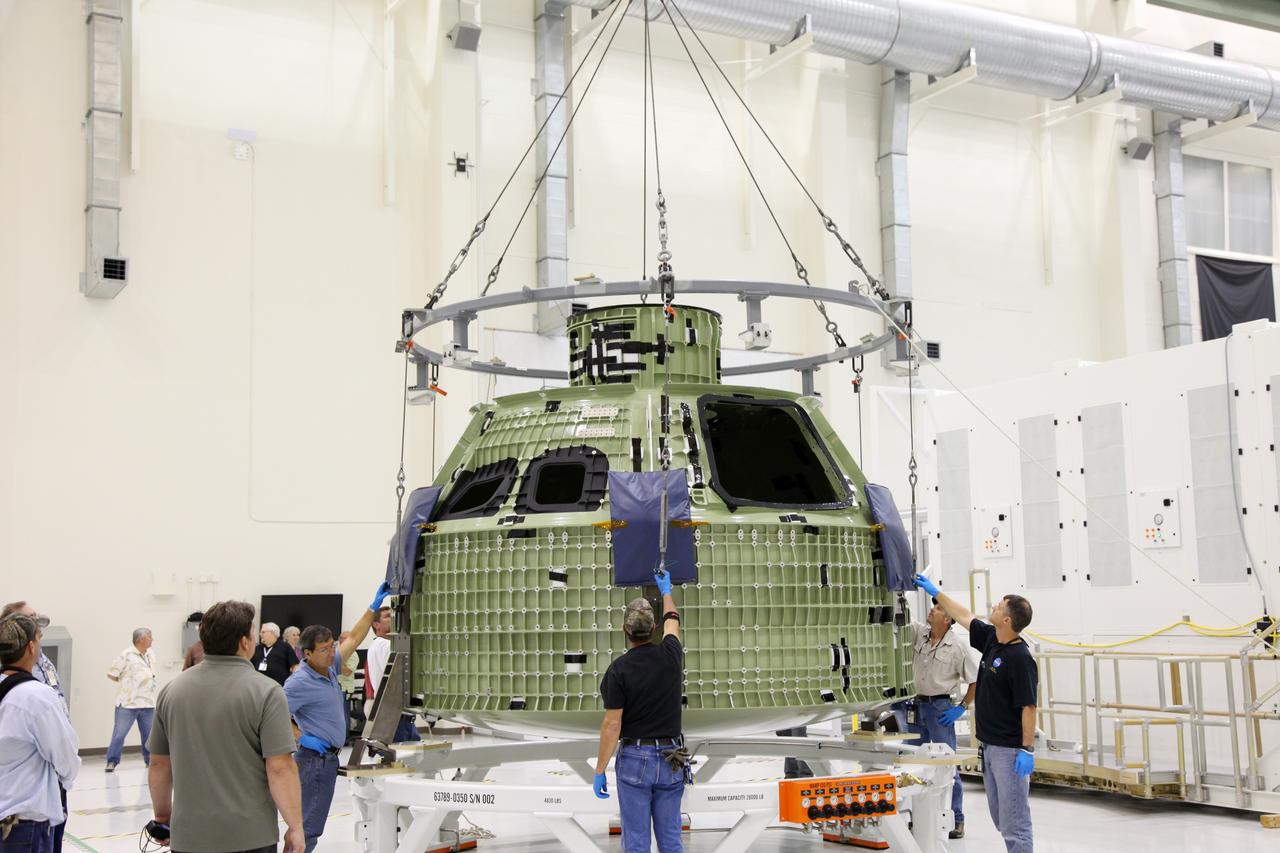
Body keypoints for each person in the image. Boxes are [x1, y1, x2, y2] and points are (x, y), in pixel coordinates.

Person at [147, 601, 304, 853]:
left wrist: (163, 817)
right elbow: (280, 767)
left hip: (189, 836)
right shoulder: (266, 692)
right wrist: (295, 826)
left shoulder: (172, 691)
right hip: (249, 837)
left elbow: (159, 763)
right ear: (244, 642)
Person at [915, 574, 1037, 853]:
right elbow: (964, 615)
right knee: (1000, 817)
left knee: (1015, 822)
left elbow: (1029, 706)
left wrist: (1027, 748)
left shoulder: (1020, 658)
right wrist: (937, 593)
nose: (993, 607)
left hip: (1010, 750)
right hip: (990, 747)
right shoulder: (993, 640)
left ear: (1007, 619)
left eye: (998, 606)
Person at [284, 584, 389, 853]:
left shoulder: (328, 667)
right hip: (313, 761)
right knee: (307, 828)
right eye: (324, 650)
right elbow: (274, 717)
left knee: (310, 827)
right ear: (306, 654)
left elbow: (354, 636)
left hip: (328, 759)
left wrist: (373, 607)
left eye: (332, 647)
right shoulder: (298, 682)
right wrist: (301, 736)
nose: (332, 653)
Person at [593, 570, 687, 853]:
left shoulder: (618, 671)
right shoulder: (671, 655)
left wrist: (600, 771)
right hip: (672, 757)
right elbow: (673, 621)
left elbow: (612, 725)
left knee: (636, 841)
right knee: (671, 839)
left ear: (625, 630)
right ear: (654, 627)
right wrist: (666, 591)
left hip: (635, 759)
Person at [0, 613, 80, 853]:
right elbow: (65, 757)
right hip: (24, 823)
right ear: (32, 647)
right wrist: (66, 781)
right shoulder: (38, 697)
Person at [905, 603, 978, 838]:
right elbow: (905, 616)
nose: (930, 611)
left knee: (948, 766)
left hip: (940, 709)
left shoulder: (957, 646)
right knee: (916, 764)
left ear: (947, 619)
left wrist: (961, 708)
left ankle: (957, 819)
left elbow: (976, 680)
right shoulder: (921, 635)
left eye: (936, 610)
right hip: (917, 706)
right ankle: (920, 817)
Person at [104, 628, 158, 773]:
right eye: (150, 637)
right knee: (119, 734)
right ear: (141, 639)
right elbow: (112, 674)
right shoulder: (126, 655)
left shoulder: (151, 655)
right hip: (128, 703)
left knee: (149, 735)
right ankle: (112, 761)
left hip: (147, 702)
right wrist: (127, 684)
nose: (152, 639)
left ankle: (149, 760)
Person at [365, 606, 420, 742]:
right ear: (376, 625)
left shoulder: (377, 645)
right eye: (388, 616)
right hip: (397, 721)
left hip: (401, 719)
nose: (393, 618)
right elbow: (405, 662)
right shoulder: (383, 645)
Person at [0, 603, 63, 708]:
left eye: (35, 616)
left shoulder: (42, 658)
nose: (37, 623)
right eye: (30, 618)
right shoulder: (8, 669)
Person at [251, 622, 298, 687]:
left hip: (278, 688)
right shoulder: (257, 648)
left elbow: (295, 667)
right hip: (258, 688)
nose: (260, 634)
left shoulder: (285, 647)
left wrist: (293, 684)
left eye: (263, 632)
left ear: (272, 633)